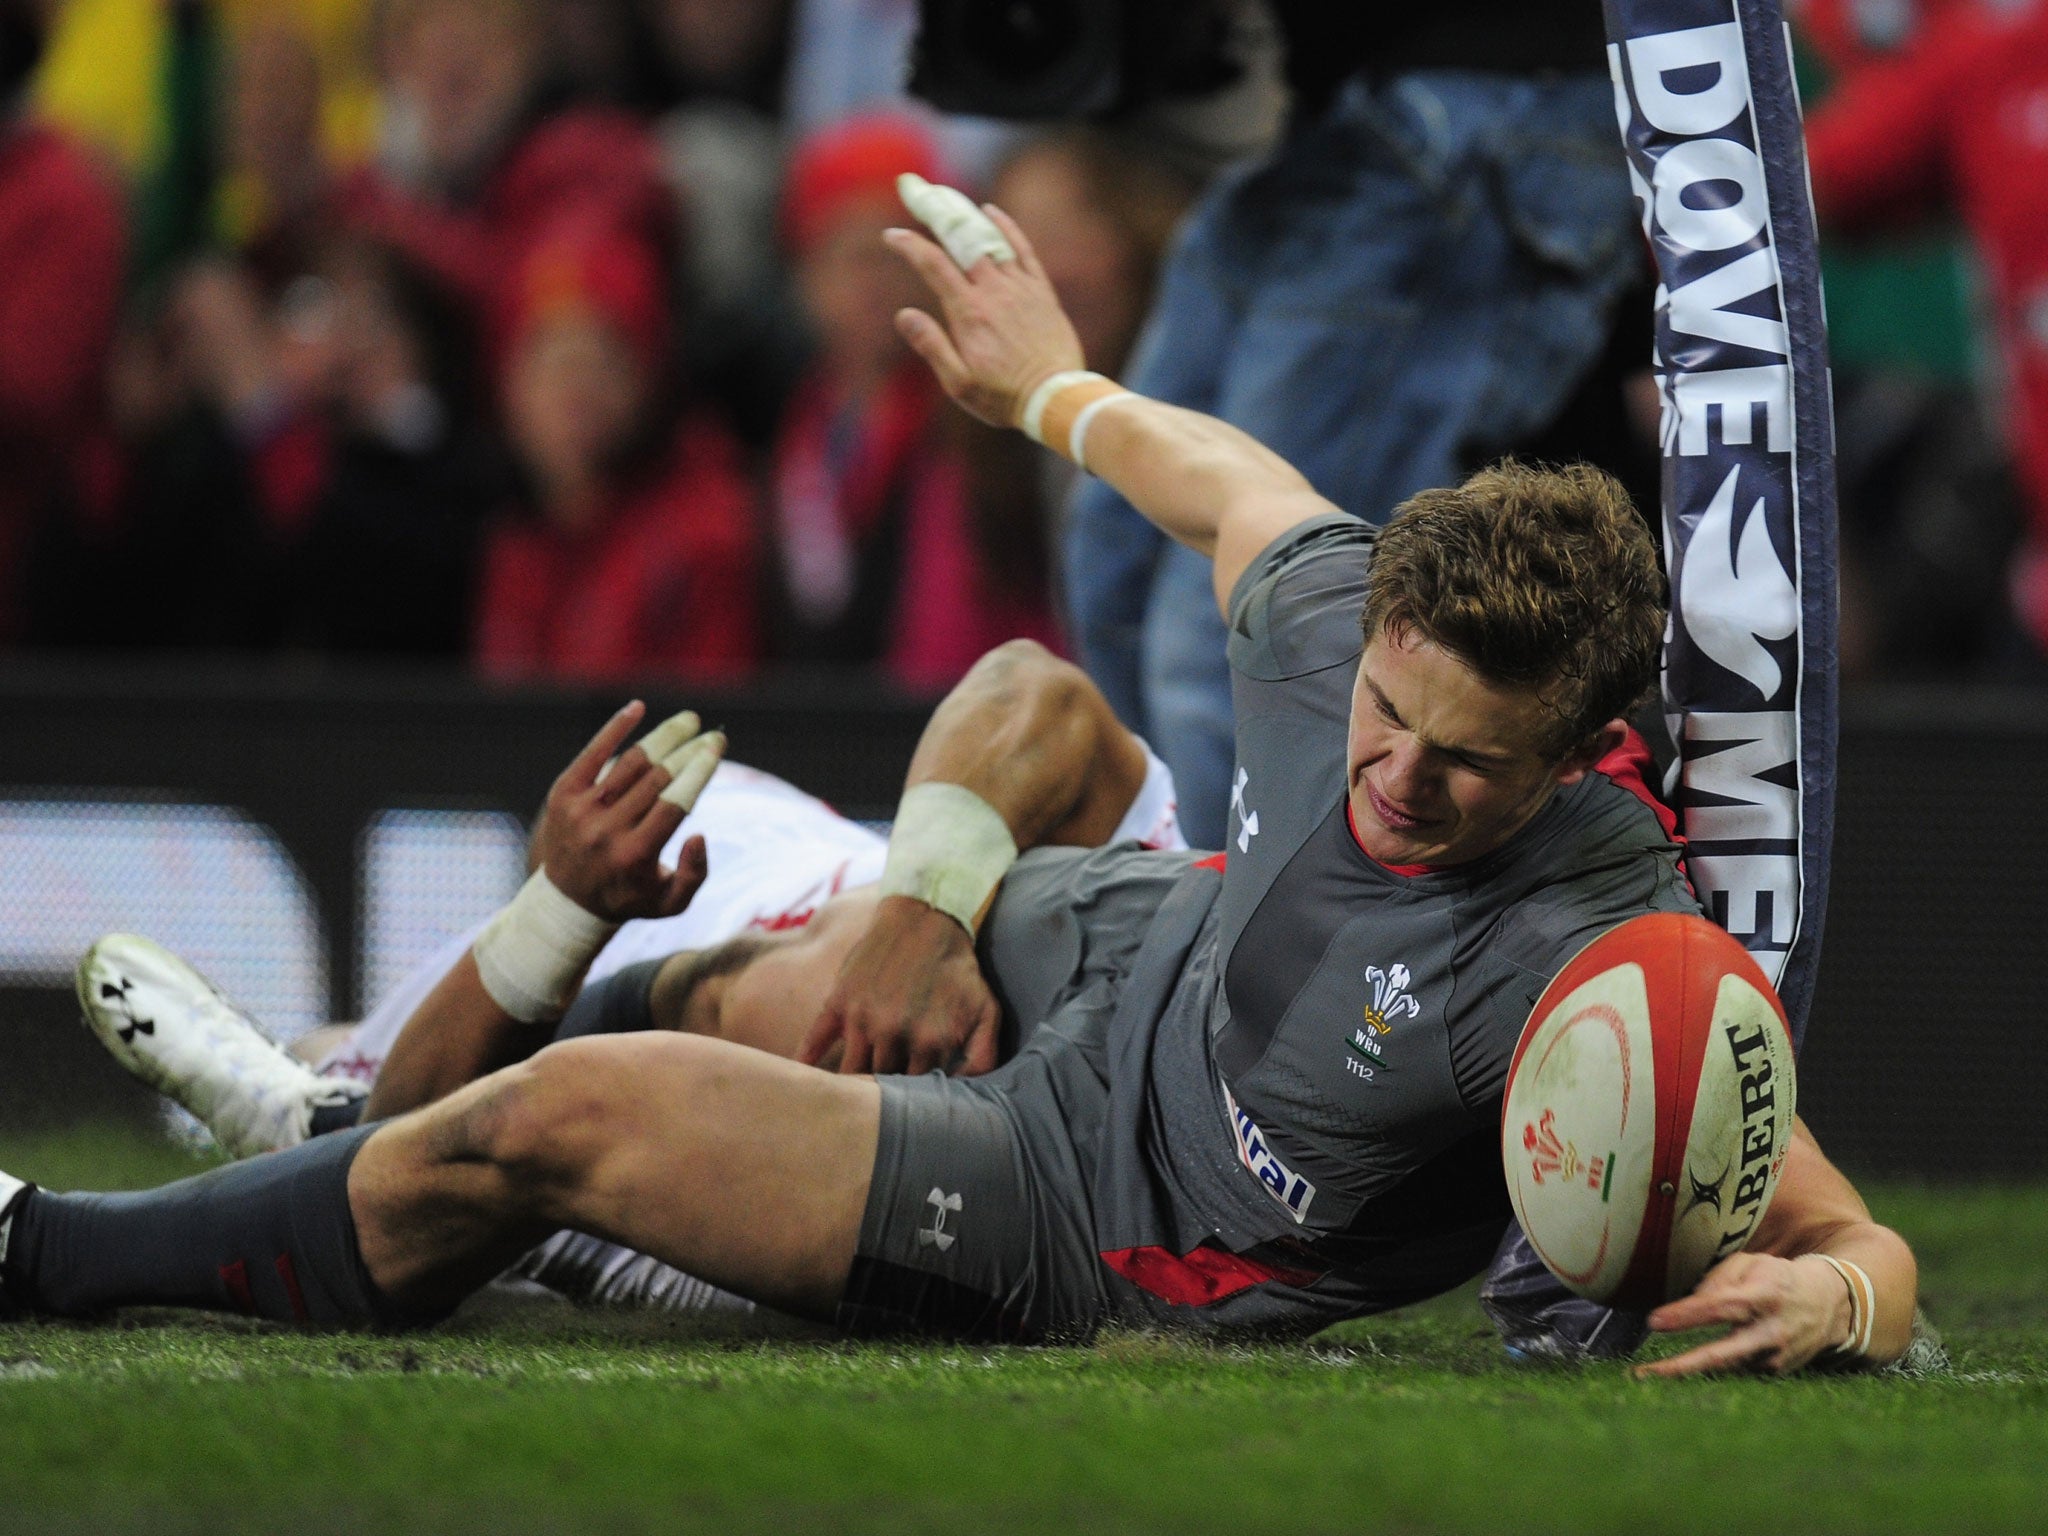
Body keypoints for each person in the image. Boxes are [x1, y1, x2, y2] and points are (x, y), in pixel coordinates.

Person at [0, 192, 1915, 1377]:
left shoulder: (1600, 953)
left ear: (1577, 747)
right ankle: (349, 1116)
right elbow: (1232, 487)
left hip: (1075, 1200)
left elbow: (1854, 1246)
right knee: (762, 961)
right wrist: (1051, 392)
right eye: (1383, 722)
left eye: (1463, 767)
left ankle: (43, 1251)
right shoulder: (1354, 618)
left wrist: (1833, 1306)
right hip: (1111, 944)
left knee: (567, 1117)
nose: (1394, 781)